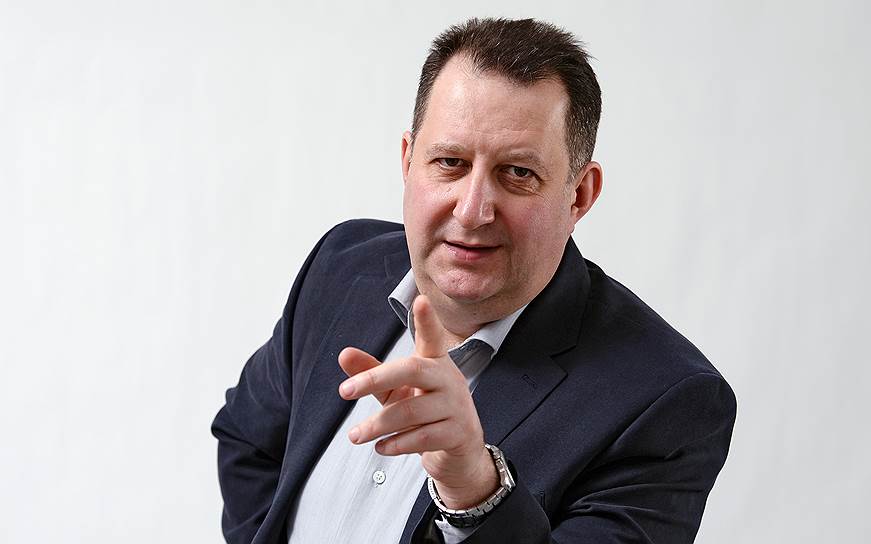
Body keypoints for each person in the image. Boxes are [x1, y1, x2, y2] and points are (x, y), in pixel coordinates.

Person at [212, 17, 736, 544]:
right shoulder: (341, 265)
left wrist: (474, 488)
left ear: (579, 195)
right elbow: (247, 441)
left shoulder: (667, 399)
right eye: (450, 162)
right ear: (408, 161)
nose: (472, 210)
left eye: (518, 173)